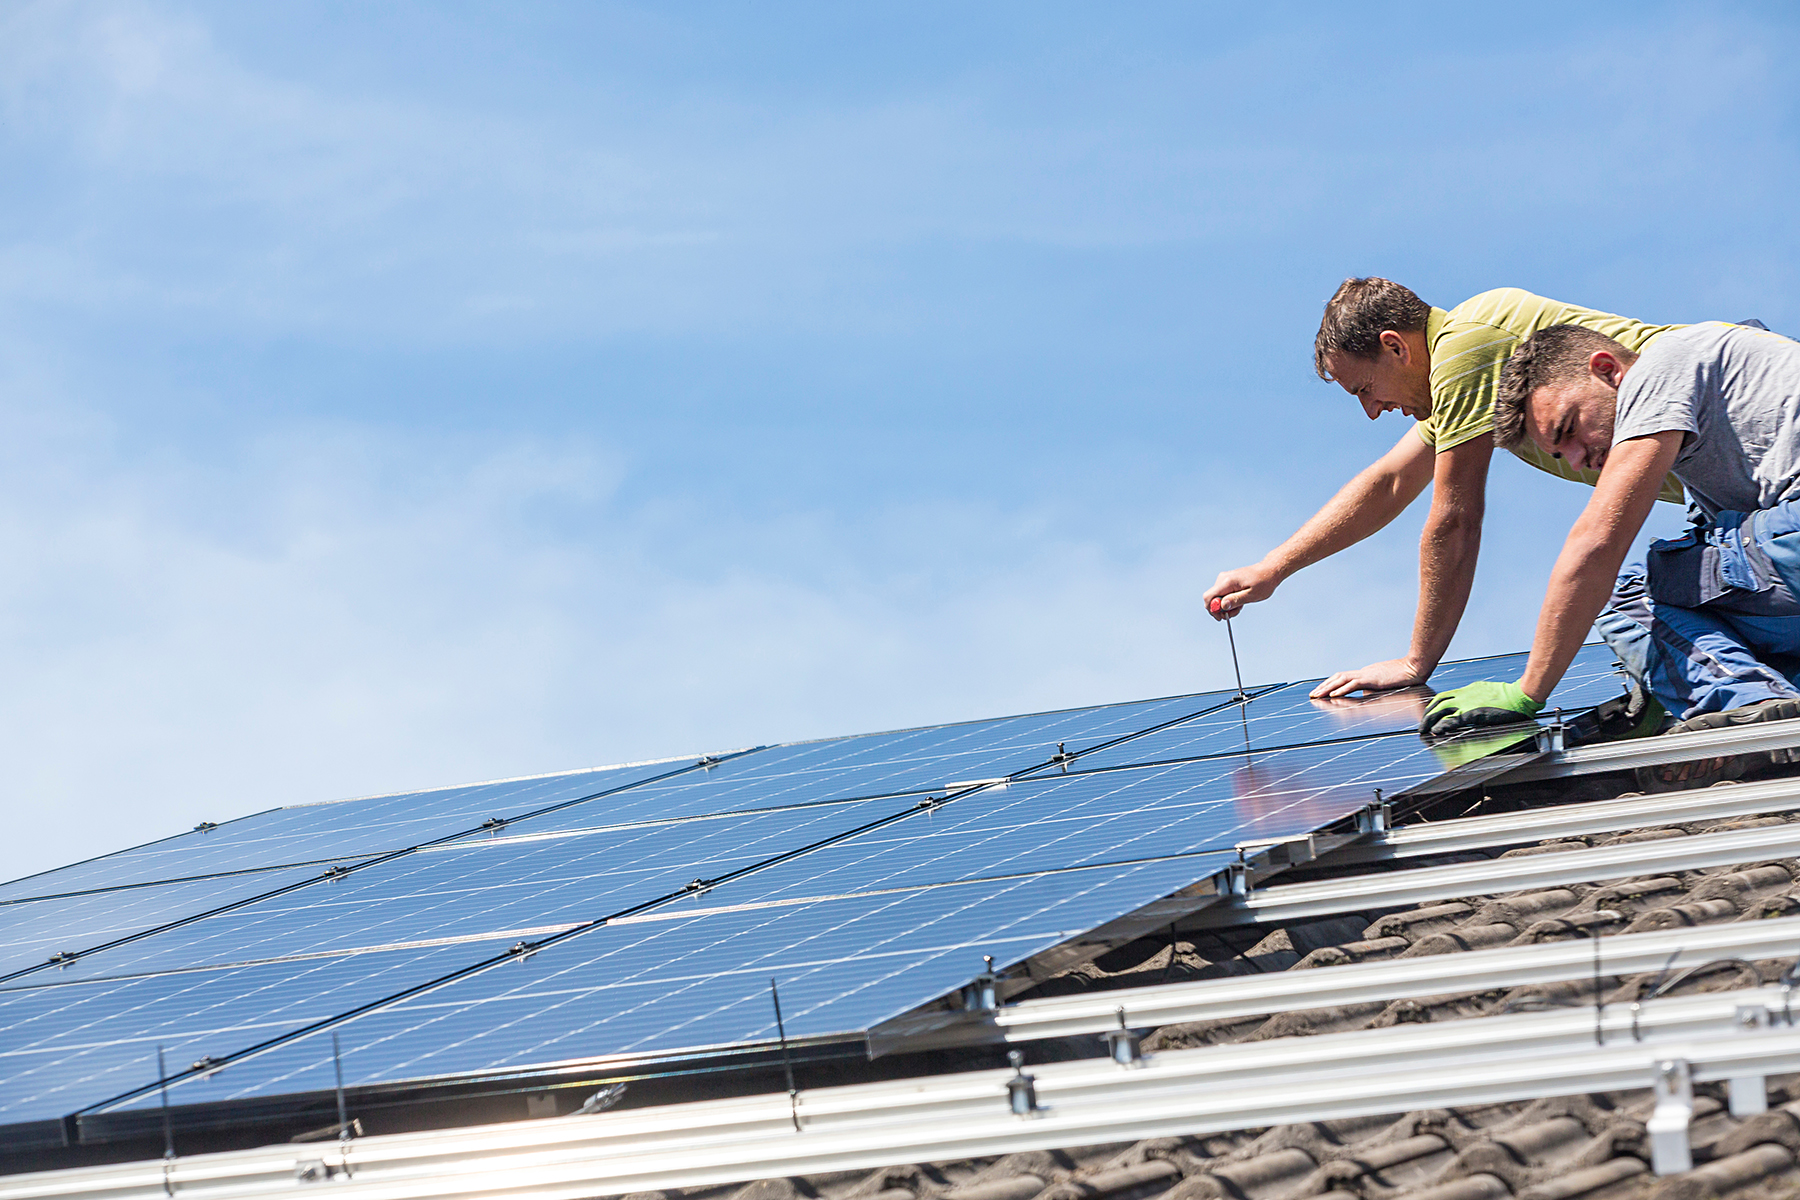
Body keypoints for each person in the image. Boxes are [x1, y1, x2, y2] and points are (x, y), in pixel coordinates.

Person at [1202, 280, 1684, 700]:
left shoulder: (1465, 351)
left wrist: (1417, 661)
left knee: (1648, 607)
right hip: (1729, 479)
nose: (1372, 410)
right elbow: (1390, 482)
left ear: (1395, 347)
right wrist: (1273, 568)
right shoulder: (1468, 343)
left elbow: (1454, 520)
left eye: (1365, 389)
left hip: (1751, 438)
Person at [1421, 322, 1800, 786]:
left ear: (1607, 370)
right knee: (1716, 599)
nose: (1580, 460)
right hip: (1785, 558)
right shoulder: (1725, 384)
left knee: (1632, 592)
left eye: (1570, 429)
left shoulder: (1663, 368)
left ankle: (1749, 713)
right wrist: (1664, 672)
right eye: (1562, 456)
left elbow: (1596, 547)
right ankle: (1768, 708)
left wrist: (1528, 691)